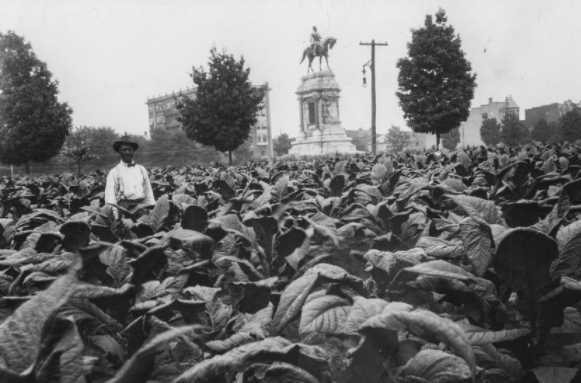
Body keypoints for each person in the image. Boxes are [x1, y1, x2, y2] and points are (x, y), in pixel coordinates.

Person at [104, 136, 155, 213]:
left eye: (130, 150)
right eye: (124, 150)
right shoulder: (114, 172)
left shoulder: (141, 169)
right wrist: (115, 215)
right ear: (119, 152)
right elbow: (110, 197)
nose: (127, 152)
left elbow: (148, 191)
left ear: (133, 151)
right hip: (124, 210)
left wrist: (151, 208)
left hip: (141, 209)